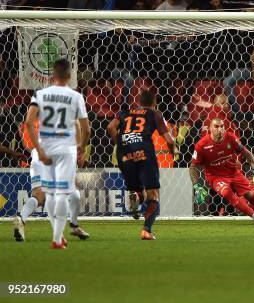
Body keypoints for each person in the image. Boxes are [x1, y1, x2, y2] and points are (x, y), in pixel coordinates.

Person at [23, 59, 91, 249]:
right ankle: (57, 239)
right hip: (66, 149)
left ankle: (58, 237)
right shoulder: (76, 96)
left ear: (52, 75)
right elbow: (86, 129)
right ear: (70, 76)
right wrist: (81, 147)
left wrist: (39, 148)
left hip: (47, 148)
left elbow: (29, 123)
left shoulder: (40, 94)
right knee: (62, 194)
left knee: (50, 194)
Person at [107, 90, 176, 240]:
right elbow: (169, 140)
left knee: (138, 189)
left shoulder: (125, 113)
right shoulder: (154, 113)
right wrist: (174, 151)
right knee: (153, 195)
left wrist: (120, 143)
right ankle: (146, 231)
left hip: (124, 154)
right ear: (154, 102)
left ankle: (136, 196)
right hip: (144, 152)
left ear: (139, 102)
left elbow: (110, 127)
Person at [14, 120, 90, 242]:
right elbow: (80, 126)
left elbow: (27, 144)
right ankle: (74, 226)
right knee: (74, 193)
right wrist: (79, 151)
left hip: (38, 154)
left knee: (38, 195)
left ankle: (21, 218)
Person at [190, 117, 254, 224]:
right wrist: (196, 185)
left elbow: (247, 153)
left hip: (234, 173)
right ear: (210, 129)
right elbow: (193, 167)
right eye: (216, 127)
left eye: (222, 126)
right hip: (216, 177)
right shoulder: (201, 145)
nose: (220, 129)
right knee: (227, 193)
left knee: (252, 196)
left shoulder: (230, 137)